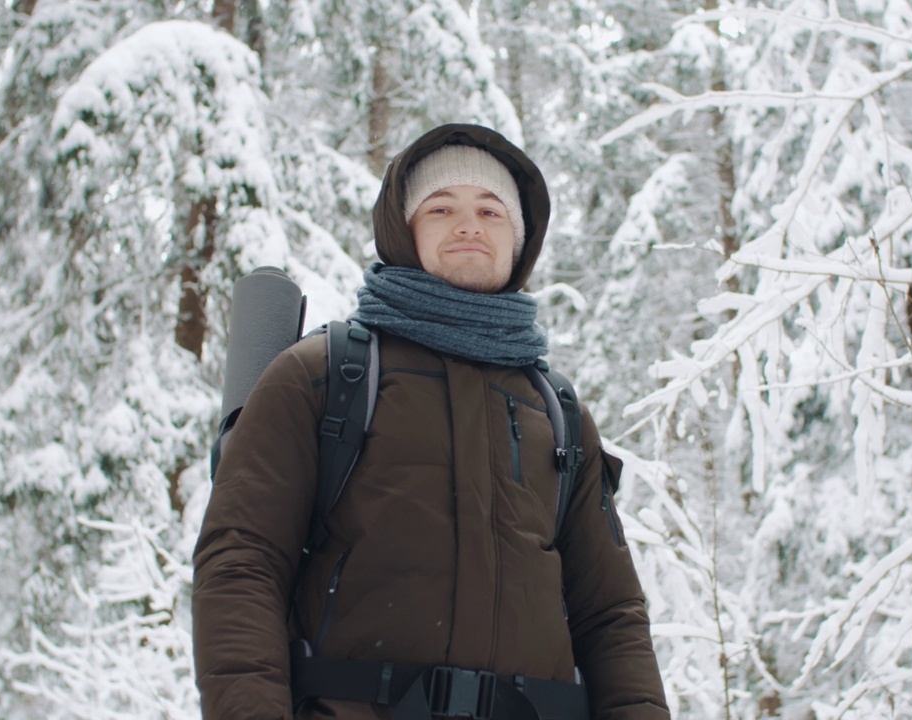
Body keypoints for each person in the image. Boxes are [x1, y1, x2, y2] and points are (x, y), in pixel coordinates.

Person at [192, 123, 669, 720]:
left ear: (519, 239)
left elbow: (611, 615)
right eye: (442, 207)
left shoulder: (559, 412)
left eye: (492, 211)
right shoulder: (323, 376)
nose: (469, 225)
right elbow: (242, 564)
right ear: (403, 228)